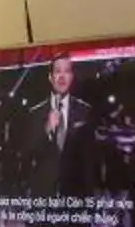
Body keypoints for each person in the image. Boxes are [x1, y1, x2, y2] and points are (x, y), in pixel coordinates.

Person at [30, 55, 103, 203]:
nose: (62, 76)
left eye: (67, 71)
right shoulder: (36, 112)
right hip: (43, 196)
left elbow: (90, 158)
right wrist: (47, 128)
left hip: (76, 197)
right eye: (57, 71)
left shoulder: (85, 111)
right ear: (50, 77)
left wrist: (89, 198)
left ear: (72, 77)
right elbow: (27, 152)